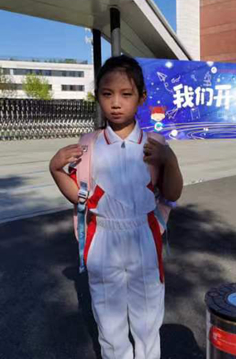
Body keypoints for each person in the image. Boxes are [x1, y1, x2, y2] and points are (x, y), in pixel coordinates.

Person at [49, 55, 183, 359]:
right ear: (97, 96)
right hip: (103, 237)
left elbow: (172, 193)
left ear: (141, 98)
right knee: (108, 321)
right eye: (107, 94)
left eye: (126, 94)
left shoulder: (154, 144)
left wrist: (170, 161)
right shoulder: (89, 143)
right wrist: (56, 170)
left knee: (147, 317)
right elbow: (80, 196)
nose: (116, 103)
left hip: (143, 235)